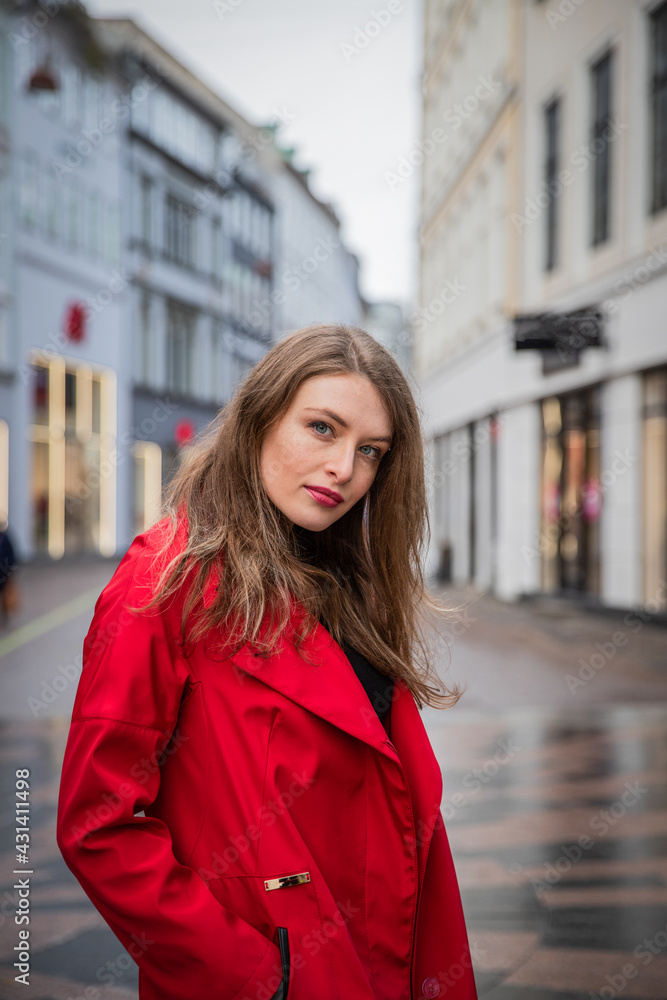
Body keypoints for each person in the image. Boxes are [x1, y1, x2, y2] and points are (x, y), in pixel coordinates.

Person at [56, 323, 478, 1000]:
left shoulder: (343, 584)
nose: (345, 468)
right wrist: (262, 977)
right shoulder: (163, 582)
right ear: (258, 419)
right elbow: (98, 826)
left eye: (370, 450)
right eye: (321, 428)